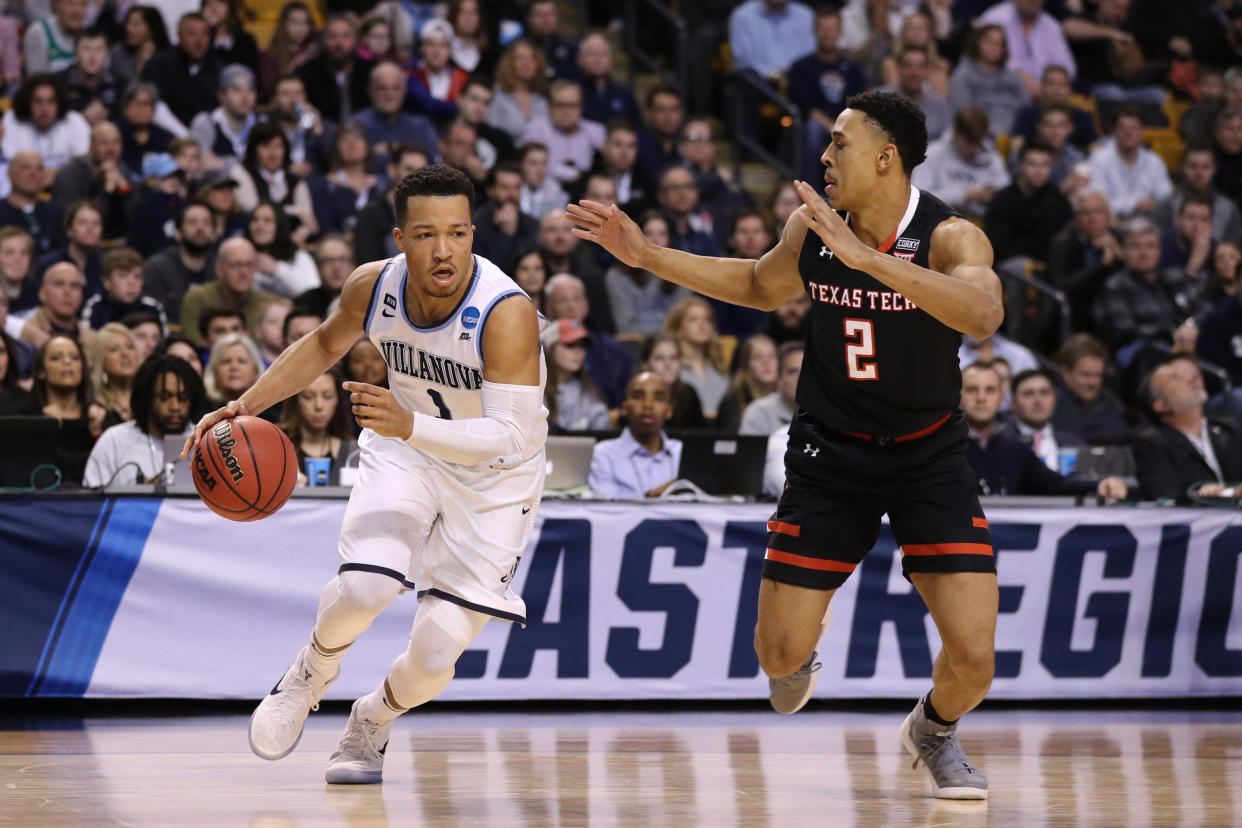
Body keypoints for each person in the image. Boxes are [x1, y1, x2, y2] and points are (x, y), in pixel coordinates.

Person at [570, 89, 1007, 798]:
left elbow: (984, 313)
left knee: (975, 660)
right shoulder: (812, 228)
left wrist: (869, 261)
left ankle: (933, 729)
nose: (825, 155)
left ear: (885, 157)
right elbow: (755, 283)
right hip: (830, 456)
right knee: (778, 663)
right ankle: (804, 636)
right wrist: (648, 255)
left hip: (928, 456)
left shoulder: (951, 235)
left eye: (839, 143)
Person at [183, 164, 547, 785]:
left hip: (494, 477)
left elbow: (511, 440)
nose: (444, 250)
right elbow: (324, 345)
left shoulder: (505, 311)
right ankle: (310, 673)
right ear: (401, 237)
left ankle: (371, 720)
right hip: (407, 452)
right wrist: (247, 404)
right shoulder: (372, 286)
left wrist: (408, 425)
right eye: (427, 234)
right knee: (366, 588)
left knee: (434, 660)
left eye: (458, 233)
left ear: (472, 234)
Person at [961, 361, 1127, 498]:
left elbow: (1055, 484)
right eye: (971, 390)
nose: (981, 398)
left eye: (989, 390)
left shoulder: (1015, 448)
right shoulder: (943, 446)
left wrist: (1099, 484)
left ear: (1001, 397)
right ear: (957, 395)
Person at [83, 354, 206, 487]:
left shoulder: (204, 443)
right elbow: (92, 501)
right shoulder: (114, 441)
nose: (175, 406)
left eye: (182, 398)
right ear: (148, 399)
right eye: (165, 397)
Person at [1132, 354, 1242, 503]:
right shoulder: (1151, 443)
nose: (1192, 379)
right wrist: (1205, 494)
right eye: (1175, 378)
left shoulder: (1230, 429)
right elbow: (1167, 496)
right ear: (1161, 405)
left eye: (1193, 375)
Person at [588, 371, 683, 498]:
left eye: (658, 398)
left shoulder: (682, 452)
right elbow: (607, 512)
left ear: (669, 411)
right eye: (638, 397)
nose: (647, 405)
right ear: (624, 408)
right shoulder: (603, 455)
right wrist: (654, 497)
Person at [31, 334, 107, 484]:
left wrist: (97, 434)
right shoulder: (29, 416)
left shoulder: (101, 416)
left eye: (74, 358)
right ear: (41, 371)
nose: (67, 362)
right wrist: (48, 432)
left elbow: (110, 471)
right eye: (56, 358)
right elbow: (33, 472)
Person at [180, 237, 280, 348]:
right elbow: (194, 345)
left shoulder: (268, 304)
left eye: (249, 265)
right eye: (236, 265)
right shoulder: (197, 299)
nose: (243, 272)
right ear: (218, 268)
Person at [911, 107, 1008, 221]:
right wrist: (964, 196)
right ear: (956, 134)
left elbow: (1007, 196)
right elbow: (919, 199)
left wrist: (993, 196)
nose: (974, 149)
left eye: (978, 142)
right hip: (940, 223)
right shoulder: (932, 155)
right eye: (969, 142)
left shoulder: (992, 158)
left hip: (983, 225)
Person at [983, 140, 1072, 263]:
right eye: (1032, 164)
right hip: (1010, 267)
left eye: (1045, 165)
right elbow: (997, 247)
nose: (1039, 171)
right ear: (1021, 165)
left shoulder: (1057, 198)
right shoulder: (1002, 200)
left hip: (1049, 267)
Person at [51, 122, 133, 241]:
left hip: (120, 242)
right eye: (104, 143)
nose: (111, 148)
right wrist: (108, 191)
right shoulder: (70, 175)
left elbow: (135, 219)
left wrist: (124, 188)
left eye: (116, 142)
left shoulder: (124, 173)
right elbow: (75, 222)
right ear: (91, 148)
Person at [1087, 106, 1172, 218]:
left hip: (1147, 221)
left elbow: (1166, 196)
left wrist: (1154, 204)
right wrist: (1134, 205)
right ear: (1115, 132)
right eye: (1123, 129)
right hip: (1111, 221)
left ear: (1142, 132)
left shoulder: (1154, 161)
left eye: (1134, 128)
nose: (1129, 133)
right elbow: (1097, 201)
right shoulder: (1099, 159)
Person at [143, 201, 219, 326]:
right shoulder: (157, 268)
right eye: (192, 222)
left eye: (206, 223)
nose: (200, 228)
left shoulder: (222, 268)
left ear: (214, 233)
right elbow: (152, 317)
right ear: (178, 233)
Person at [351, 62, 440, 168]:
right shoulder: (356, 125)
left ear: (404, 90)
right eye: (382, 88)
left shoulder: (421, 126)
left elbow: (433, 164)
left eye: (396, 88)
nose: (389, 94)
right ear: (370, 91)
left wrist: (385, 150)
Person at [1, 75, 90, 180]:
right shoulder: (12, 120)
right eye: (38, 101)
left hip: (66, 185)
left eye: (50, 101)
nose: (45, 109)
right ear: (28, 103)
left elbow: (83, 161)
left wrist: (52, 175)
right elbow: (10, 164)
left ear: (59, 103)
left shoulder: (74, 121)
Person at [278, 369, 358, 485]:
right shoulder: (279, 450)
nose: (319, 406)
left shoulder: (354, 453)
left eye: (328, 396)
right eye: (308, 397)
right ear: (295, 401)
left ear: (338, 401)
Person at [948, 24, 1028, 137]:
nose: (994, 47)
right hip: (977, 138)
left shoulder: (1013, 77)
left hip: (1014, 138)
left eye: (999, 44)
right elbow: (962, 114)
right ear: (977, 43)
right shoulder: (963, 75)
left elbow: (1026, 110)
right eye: (989, 42)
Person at [141, 13, 220, 128]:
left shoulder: (217, 68)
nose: (199, 41)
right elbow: (155, 106)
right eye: (192, 34)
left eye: (204, 34)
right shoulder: (159, 64)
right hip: (167, 134)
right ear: (179, 36)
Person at [1051, 333, 1130, 445]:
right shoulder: (1048, 402)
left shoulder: (1112, 405)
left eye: (1098, 375)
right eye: (1085, 375)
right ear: (1066, 373)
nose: (1092, 382)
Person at [297, 13, 373, 124]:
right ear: (323, 39)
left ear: (355, 40)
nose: (339, 43)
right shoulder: (308, 72)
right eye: (333, 36)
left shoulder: (371, 71)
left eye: (346, 36)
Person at [661, 296, 729, 420]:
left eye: (707, 320)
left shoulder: (718, 366)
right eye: (693, 320)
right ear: (678, 325)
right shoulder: (671, 366)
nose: (702, 325)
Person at [1008, 368, 1085, 470]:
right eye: (1028, 394)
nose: (1038, 401)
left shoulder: (1075, 444)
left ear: (1054, 399)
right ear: (1013, 403)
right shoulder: (1001, 444)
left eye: (1044, 392)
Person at [542, 317, 609, 432]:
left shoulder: (588, 388)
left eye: (582, 345)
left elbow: (602, 430)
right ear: (549, 348)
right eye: (570, 345)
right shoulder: (535, 389)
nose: (578, 352)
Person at [189, 63, 259, 169]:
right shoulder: (206, 122)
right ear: (221, 96)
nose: (245, 97)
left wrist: (223, 163)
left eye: (250, 90)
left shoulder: (262, 124)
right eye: (237, 90)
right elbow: (200, 165)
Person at [81, 246, 167, 331]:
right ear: (107, 281)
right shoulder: (95, 307)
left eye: (137, 276)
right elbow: (87, 341)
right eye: (123, 276)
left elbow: (164, 343)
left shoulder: (153, 308)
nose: (131, 283)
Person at [246, 201, 320, 298]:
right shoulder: (244, 256)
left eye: (267, 220)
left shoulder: (298, 256)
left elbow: (312, 291)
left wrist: (277, 269)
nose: (259, 226)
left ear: (279, 225)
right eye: (255, 220)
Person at [0, 153, 64, 258]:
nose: (33, 173)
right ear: (9, 173)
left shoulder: (56, 211)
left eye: (39, 168)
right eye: (26, 167)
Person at [485, 38, 549, 143]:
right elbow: (488, 134)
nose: (526, 63)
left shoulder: (543, 100)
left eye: (531, 58)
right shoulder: (497, 95)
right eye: (520, 58)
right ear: (509, 63)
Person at [716, 333, 778, 433]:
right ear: (746, 365)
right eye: (758, 357)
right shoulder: (733, 399)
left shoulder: (788, 396)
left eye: (771, 356)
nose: (766, 362)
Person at [577, 34, 641, 129]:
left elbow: (638, 126)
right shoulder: (573, 92)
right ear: (580, 59)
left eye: (602, 54)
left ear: (611, 59)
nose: (597, 60)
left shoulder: (624, 93)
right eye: (591, 54)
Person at [740, 341, 802, 436]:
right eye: (792, 372)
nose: (801, 379)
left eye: (806, 372)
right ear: (779, 378)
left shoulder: (827, 413)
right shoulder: (759, 413)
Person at [296, 235, 355, 318]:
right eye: (328, 260)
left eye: (342, 259)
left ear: (353, 266)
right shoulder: (303, 305)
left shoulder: (368, 301)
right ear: (319, 268)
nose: (336, 266)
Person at [22, 0, 86, 75]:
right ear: (58, 6)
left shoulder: (89, 34)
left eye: (83, 4)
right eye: (70, 4)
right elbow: (37, 81)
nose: (77, 11)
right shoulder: (38, 33)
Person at [201, 331, 264, 405]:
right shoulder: (201, 413)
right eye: (226, 361)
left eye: (241, 361)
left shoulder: (274, 413)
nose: (234, 366)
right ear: (214, 372)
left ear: (256, 371)